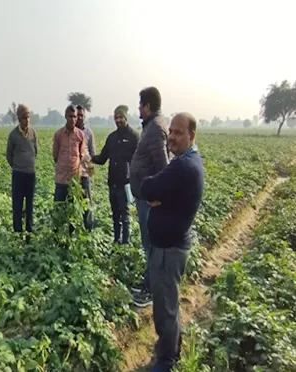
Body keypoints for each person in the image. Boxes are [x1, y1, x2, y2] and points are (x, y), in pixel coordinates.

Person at [140, 113, 204, 372]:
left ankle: (166, 361)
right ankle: (172, 348)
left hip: (169, 250)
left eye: (179, 132)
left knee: (165, 308)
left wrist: (155, 194)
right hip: (170, 245)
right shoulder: (185, 161)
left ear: (192, 135)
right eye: (171, 132)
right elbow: (155, 189)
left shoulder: (182, 166)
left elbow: (146, 188)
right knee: (168, 302)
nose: (173, 138)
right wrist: (159, 195)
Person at [129, 87, 170, 307]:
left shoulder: (154, 129)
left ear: (147, 106)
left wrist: (157, 196)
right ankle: (148, 281)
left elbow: (163, 167)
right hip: (145, 196)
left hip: (150, 199)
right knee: (148, 244)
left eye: (140, 105)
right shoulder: (152, 126)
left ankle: (152, 290)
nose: (138, 108)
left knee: (152, 245)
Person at [92, 105, 139, 244]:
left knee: (125, 215)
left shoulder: (134, 137)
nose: (118, 120)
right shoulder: (112, 137)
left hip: (125, 183)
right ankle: (116, 240)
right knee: (115, 215)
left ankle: (125, 243)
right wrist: (89, 157)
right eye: (116, 118)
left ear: (126, 118)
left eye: (121, 117)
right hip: (112, 182)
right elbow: (102, 158)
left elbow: (139, 162)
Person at [52, 105, 89, 228]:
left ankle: (71, 233)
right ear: (65, 116)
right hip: (61, 178)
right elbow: (55, 155)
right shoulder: (58, 135)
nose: (73, 119)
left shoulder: (81, 135)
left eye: (75, 116)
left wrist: (86, 172)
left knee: (72, 209)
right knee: (59, 206)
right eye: (70, 116)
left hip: (74, 179)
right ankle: (58, 235)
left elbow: (82, 154)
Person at [6, 104, 38, 243]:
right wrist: (17, 166)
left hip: (30, 174)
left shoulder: (33, 132)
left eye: (28, 117)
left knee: (30, 205)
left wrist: (29, 163)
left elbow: (35, 150)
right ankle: (17, 233)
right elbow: (9, 155)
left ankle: (29, 234)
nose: (27, 120)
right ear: (19, 118)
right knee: (17, 205)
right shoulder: (13, 135)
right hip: (18, 174)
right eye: (24, 117)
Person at [76, 105, 95, 231]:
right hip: (71, 173)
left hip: (84, 173)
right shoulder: (68, 132)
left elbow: (92, 154)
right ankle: (70, 229)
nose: (79, 118)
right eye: (77, 115)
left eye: (82, 115)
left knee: (86, 200)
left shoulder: (88, 133)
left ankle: (88, 227)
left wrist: (90, 170)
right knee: (70, 201)